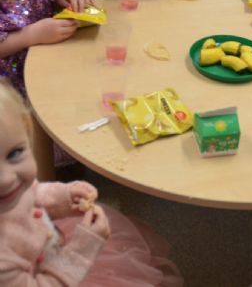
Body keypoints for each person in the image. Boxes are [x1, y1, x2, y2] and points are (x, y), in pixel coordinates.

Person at [0, 79, 184, 286]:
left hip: (51, 250)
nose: (6, 179)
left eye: (14, 153)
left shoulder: (10, 192)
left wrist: (64, 197)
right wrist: (82, 249)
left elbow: (33, 193)